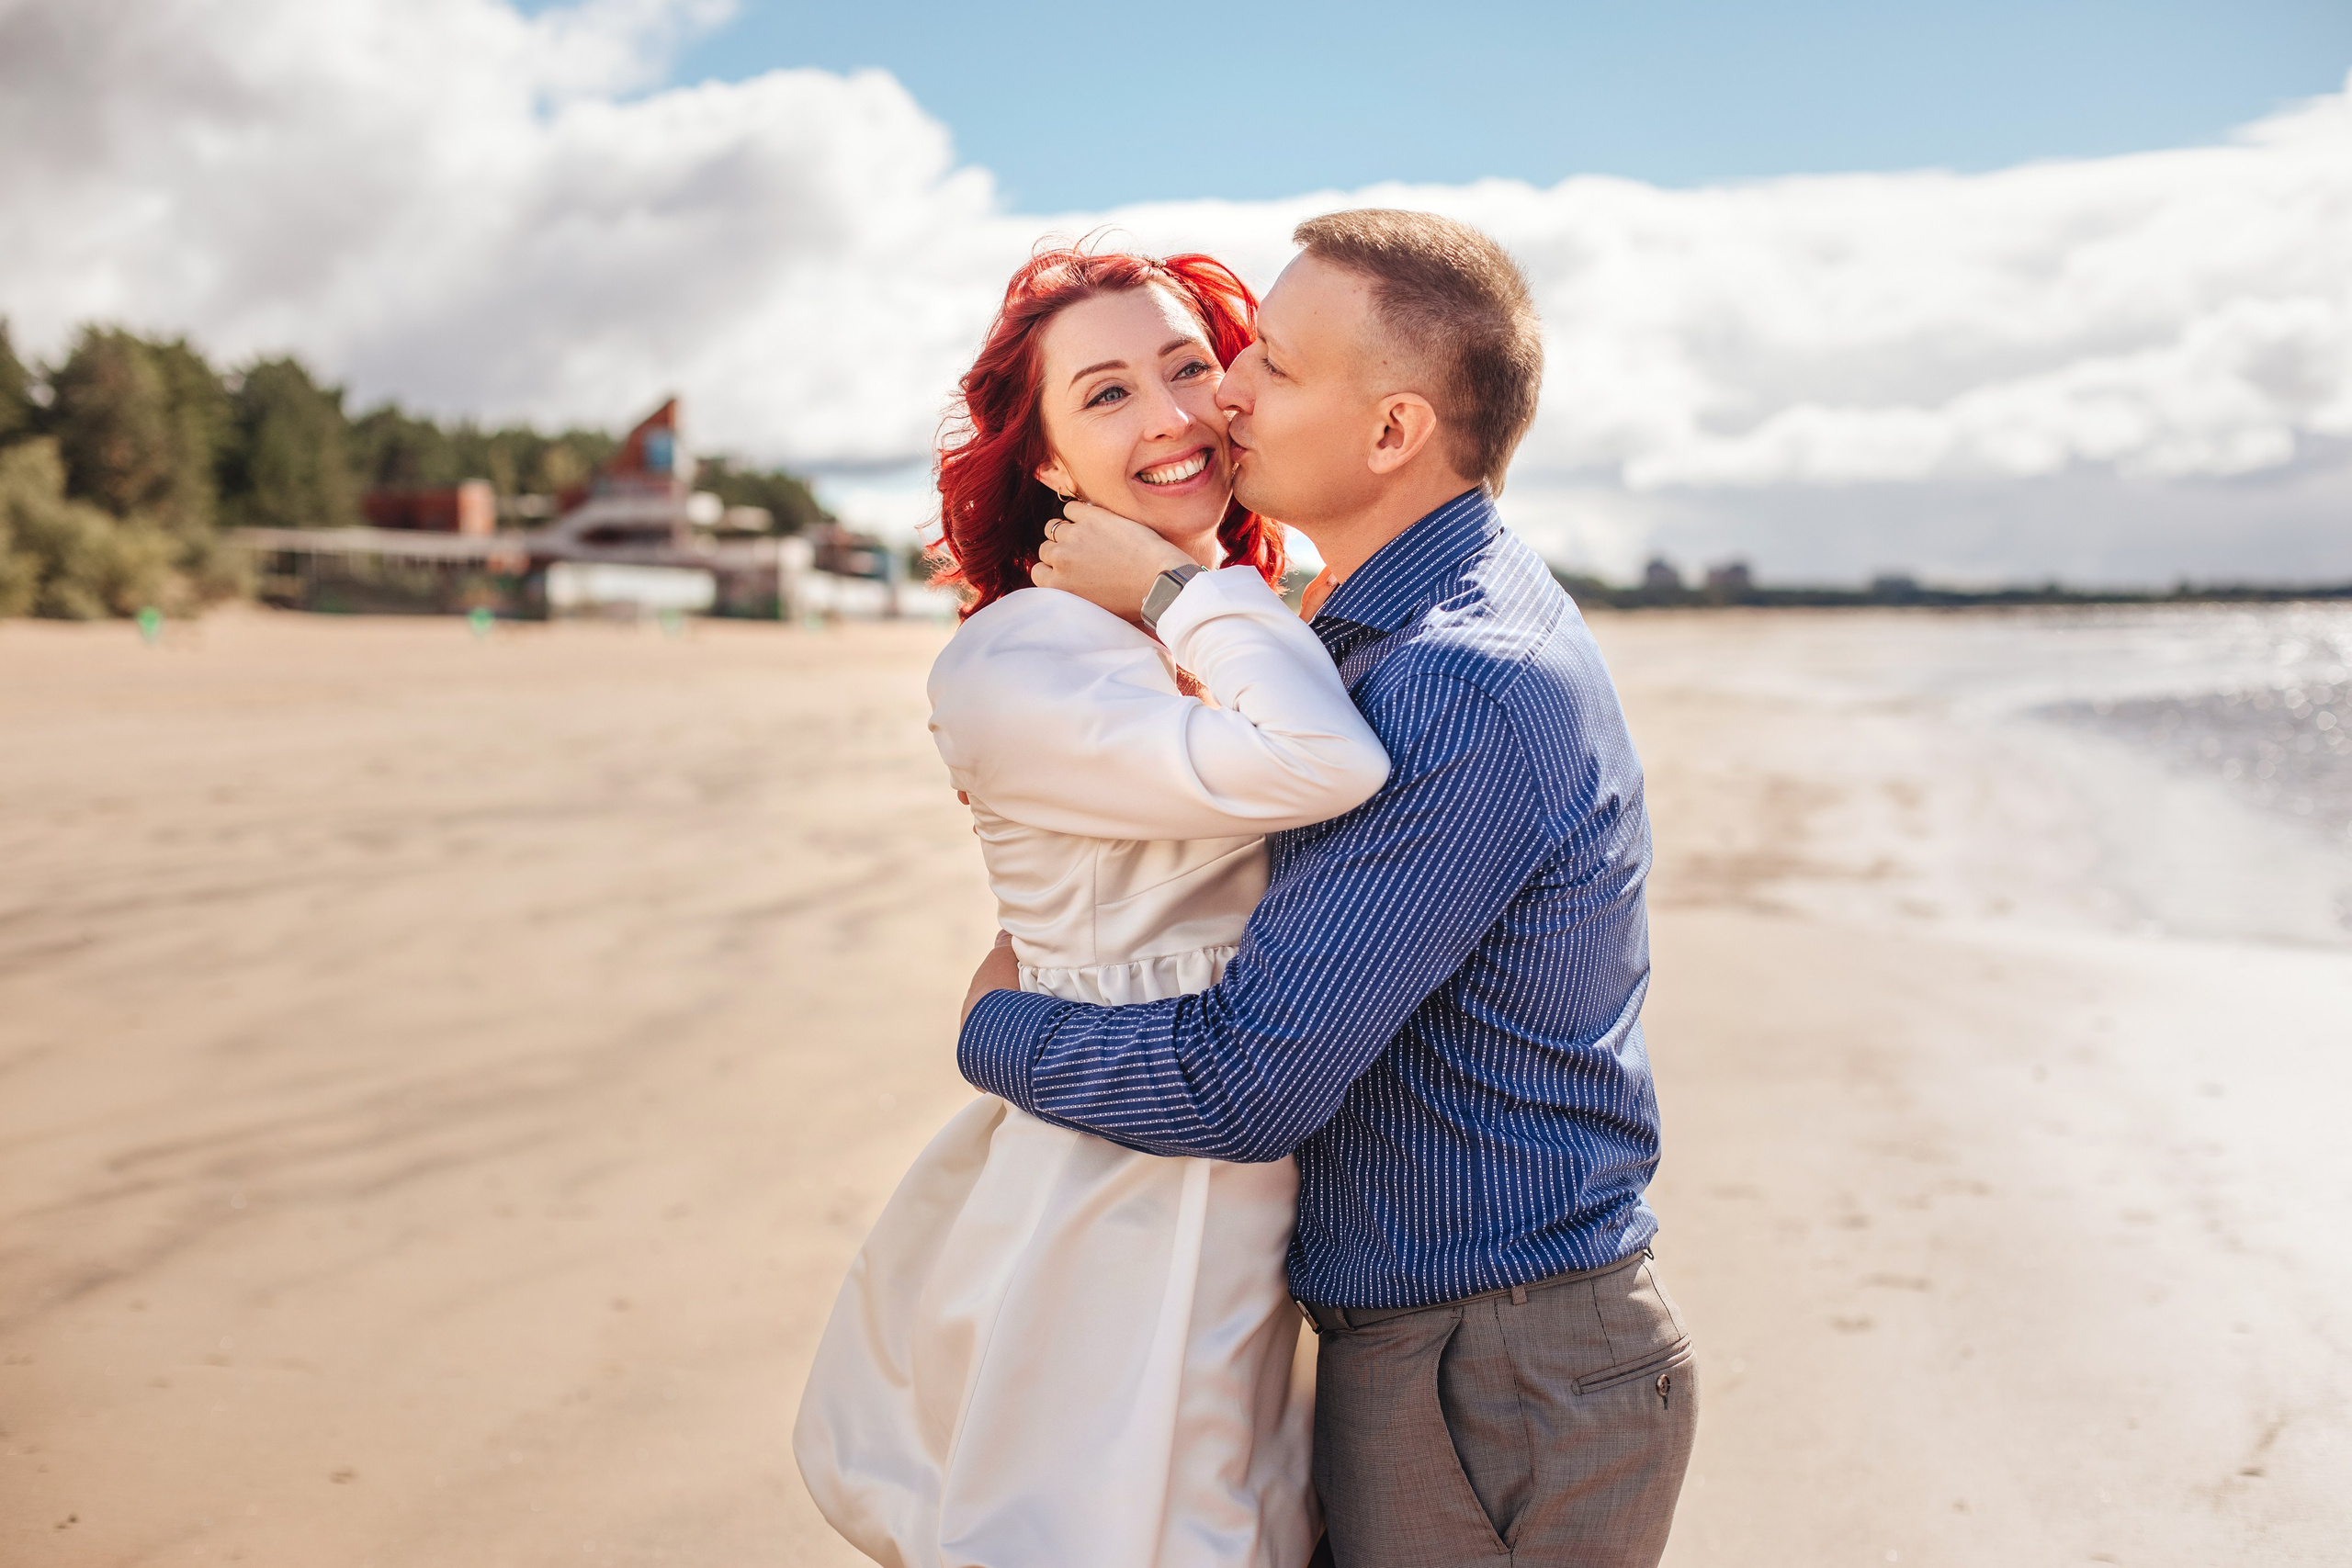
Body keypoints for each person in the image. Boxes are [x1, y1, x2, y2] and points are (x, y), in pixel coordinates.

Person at [958, 209, 1698, 1568]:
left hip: (1494, 1364)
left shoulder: (1454, 680)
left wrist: (990, 1029)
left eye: (1271, 367)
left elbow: (1250, 1085)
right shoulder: (1380, 629)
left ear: (1393, 433)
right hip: (1459, 1341)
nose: (1225, 391)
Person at [793, 246, 1391, 1568]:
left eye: (1188, 367)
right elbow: (1327, 765)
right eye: (1107, 394)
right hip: (1119, 1173)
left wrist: (1193, 599)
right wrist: (1187, 587)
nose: (1171, 417)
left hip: (1234, 1162)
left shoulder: (1173, 630)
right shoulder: (1023, 654)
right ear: (1049, 464)